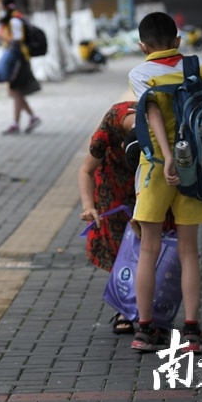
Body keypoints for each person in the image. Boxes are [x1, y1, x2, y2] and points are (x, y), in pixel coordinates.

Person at [127, 11, 202, 353]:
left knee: (148, 249)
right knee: (189, 250)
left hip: (156, 169)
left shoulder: (140, 74)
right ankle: (192, 331)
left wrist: (166, 158)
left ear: (142, 46)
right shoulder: (196, 63)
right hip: (196, 168)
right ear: (178, 42)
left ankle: (146, 330)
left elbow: (151, 115)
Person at [77, 101, 138, 335]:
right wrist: (88, 205)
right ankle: (124, 309)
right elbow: (85, 170)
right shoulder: (108, 127)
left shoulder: (158, 121)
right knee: (119, 248)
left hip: (147, 183)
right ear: (123, 143)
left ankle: (146, 307)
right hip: (112, 187)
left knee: (151, 244)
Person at [0, 0, 41, 135]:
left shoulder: (15, 20)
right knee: (14, 91)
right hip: (14, 57)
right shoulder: (12, 19)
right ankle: (29, 118)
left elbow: (15, 41)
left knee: (15, 90)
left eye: (0, 3)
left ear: (5, 5)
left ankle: (20, 122)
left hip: (18, 58)